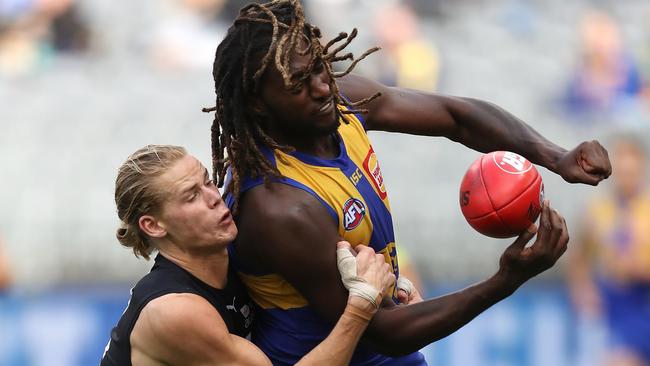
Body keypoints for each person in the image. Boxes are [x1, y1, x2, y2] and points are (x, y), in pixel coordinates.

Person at [204, 1, 612, 365]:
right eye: (298, 83)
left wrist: (555, 156)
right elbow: (384, 331)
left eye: (319, 67)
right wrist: (506, 280)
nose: (323, 86)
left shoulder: (340, 102)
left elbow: (454, 116)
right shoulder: (280, 205)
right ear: (257, 100)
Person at [100, 144, 396, 366]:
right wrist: (361, 305)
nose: (214, 197)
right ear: (153, 226)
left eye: (206, 181)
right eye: (191, 196)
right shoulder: (174, 310)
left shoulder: (231, 256)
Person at [568, 135, 650, 366]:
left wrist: (638, 269)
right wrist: (582, 288)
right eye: (621, 173)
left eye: (631, 173)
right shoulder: (598, 211)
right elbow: (579, 254)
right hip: (617, 303)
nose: (626, 179)